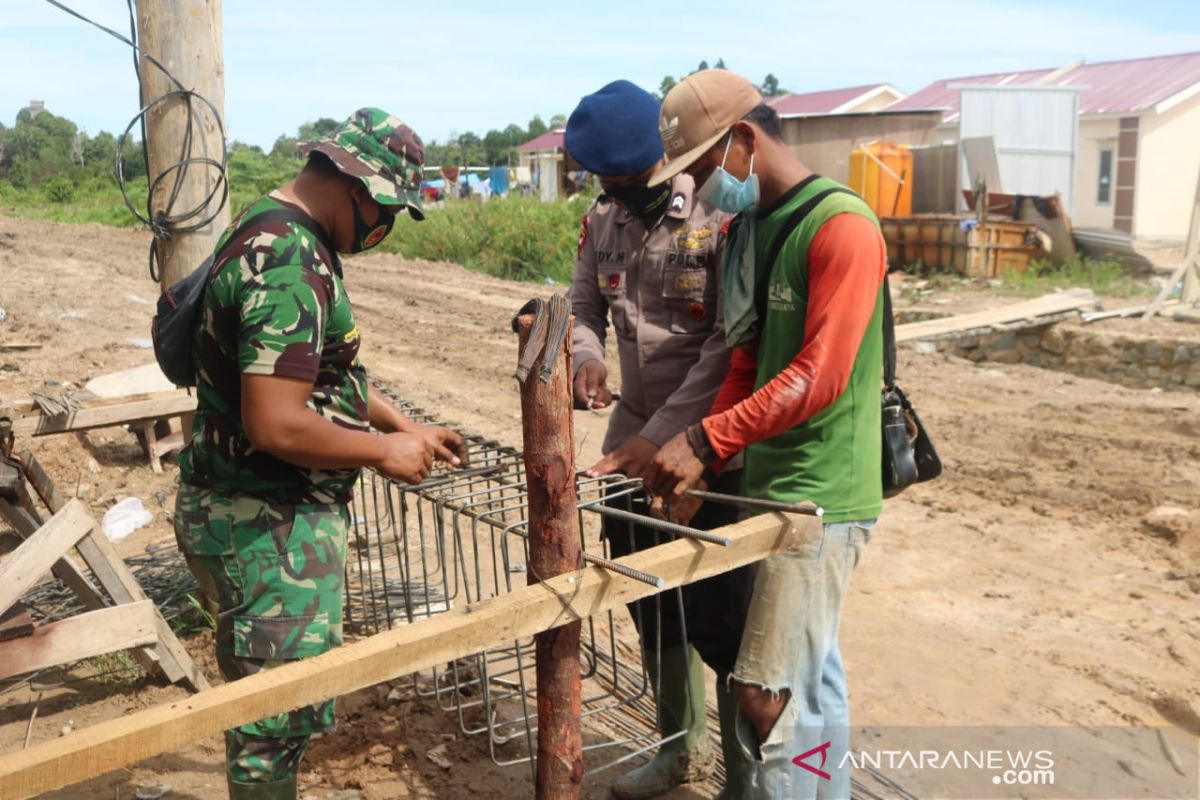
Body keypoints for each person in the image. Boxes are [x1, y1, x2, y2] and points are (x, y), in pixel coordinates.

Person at [173, 108, 465, 800]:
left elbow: (320, 375)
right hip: (264, 522)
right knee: (272, 726)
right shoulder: (286, 261)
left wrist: (404, 424)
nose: (385, 230)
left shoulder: (281, 229)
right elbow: (276, 420)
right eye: (386, 210)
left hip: (256, 512)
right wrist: (380, 452)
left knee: (276, 709)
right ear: (352, 184)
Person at [646, 70, 887, 799]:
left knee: (765, 694)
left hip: (821, 497)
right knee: (811, 685)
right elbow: (747, 357)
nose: (699, 187)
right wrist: (711, 463)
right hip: (767, 487)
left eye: (701, 168)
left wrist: (709, 442)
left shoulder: (841, 226)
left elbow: (821, 375)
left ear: (744, 139)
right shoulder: (750, 230)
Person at [564, 80, 755, 800]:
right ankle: (678, 747)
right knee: (651, 602)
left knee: (724, 617)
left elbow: (725, 345)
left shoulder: (718, 211)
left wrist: (668, 436)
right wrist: (585, 355)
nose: (615, 190)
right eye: (604, 180)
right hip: (631, 441)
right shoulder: (601, 221)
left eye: (626, 177)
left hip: (707, 448)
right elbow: (582, 302)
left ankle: (743, 774)